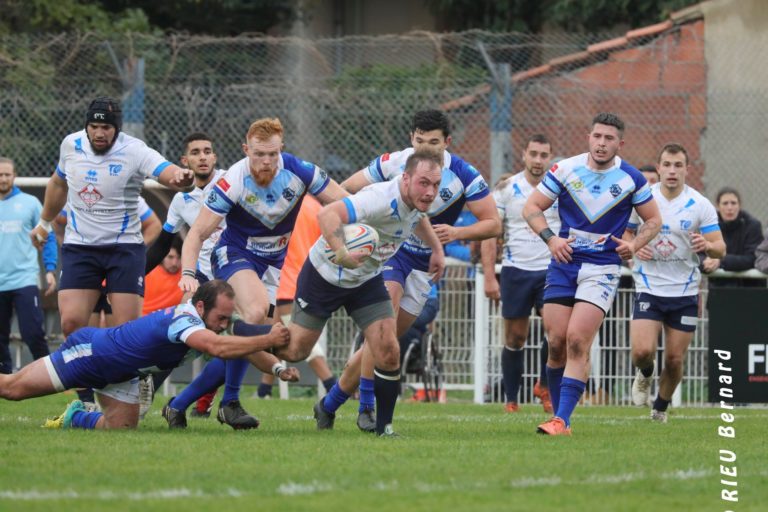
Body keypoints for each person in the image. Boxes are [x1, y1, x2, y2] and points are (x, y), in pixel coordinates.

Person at [163, 118, 348, 429]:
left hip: (273, 266)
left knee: (254, 343)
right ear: (246, 149)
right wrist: (189, 273)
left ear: (281, 150)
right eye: (259, 154)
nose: (266, 161)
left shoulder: (300, 171)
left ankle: (178, 404)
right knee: (255, 312)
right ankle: (230, 403)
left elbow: (345, 201)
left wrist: (369, 228)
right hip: (234, 255)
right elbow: (196, 233)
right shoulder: (232, 181)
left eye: (272, 154)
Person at [322, 109, 499, 432]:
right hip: (392, 252)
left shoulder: (464, 175)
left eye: (434, 143)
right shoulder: (395, 162)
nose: (425, 149)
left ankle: (329, 404)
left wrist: (457, 233)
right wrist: (358, 227)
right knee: (383, 327)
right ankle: (366, 407)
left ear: (447, 142)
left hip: (424, 268)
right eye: (420, 141)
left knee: (383, 342)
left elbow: (493, 223)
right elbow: (344, 188)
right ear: (411, 139)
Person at [29, 96, 195, 407]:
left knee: (125, 331)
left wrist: (181, 178)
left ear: (116, 129)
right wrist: (44, 223)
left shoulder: (134, 150)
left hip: (124, 249)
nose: (99, 133)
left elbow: (165, 171)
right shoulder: (71, 145)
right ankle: (85, 397)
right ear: (86, 126)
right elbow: (58, 184)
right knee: (71, 324)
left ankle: (129, 392)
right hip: (80, 248)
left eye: (106, 127)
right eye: (94, 126)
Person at [275, 151, 446, 436]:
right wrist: (342, 252)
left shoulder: (417, 200)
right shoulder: (379, 199)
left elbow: (418, 217)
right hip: (325, 275)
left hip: (366, 279)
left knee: (388, 349)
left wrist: (436, 248)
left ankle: (384, 429)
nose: (430, 192)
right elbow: (327, 214)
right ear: (405, 178)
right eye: (424, 183)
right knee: (295, 351)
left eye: (436, 185)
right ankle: (253, 336)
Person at [523, 112, 662, 436]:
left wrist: (634, 244)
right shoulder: (564, 169)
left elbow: (654, 220)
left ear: (620, 143)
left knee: (577, 340)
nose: (601, 143)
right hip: (564, 263)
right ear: (588, 137)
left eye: (609, 138)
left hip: (602, 268)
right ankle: (558, 415)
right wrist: (551, 239)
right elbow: (531, 207)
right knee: (556, 342)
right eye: (597, 136)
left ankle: (562, 420)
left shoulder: (631, 178)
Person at [0, 280, 290, 430]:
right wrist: (268, 338)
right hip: (91, 356)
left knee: (120, 429)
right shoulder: (185, 320)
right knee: (11, 389)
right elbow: (218, 348)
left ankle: (75, 417)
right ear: (200, 307)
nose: (224, 324)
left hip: (124, 374)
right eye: (221, 318)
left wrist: (278, 368)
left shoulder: (211, 323)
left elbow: (243, 347)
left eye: (228, 319)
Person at [627, 143, 725, 423]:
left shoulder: (700, 204)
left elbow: (720, 248)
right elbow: (626, 233)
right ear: (658, 168)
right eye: (667, 165)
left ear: (686, 169)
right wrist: (635, 247)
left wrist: (707, 245)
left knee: (674, 359)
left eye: (678, 165)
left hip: (685, 291)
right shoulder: (643, 199)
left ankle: (659, 408)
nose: (672, 171)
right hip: (649, 286)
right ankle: (645, 373)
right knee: (642, 352)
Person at [143, 132, 227, 417]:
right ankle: (145, 392)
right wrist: (137, 276)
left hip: (237, 273)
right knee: (179, 332)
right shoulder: (181, 200)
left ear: (215, 157)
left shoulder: (230, 183)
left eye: (207, 151)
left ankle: (209, 401)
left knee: (239, 342)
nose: (202, 157)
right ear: (184, 161)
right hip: (203, 278)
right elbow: (163, 244)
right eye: (195, 152)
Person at [481, 134, 559, 414]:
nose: (538, 160)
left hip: (551, 270)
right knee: (515, 337)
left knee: (555, 332)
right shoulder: (506, 188)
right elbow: (490, 232)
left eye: (543, 155)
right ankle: (511, 400)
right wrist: (489, 276)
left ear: (550, 158)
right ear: (524, 154)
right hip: (516, 271)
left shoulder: (559, 189)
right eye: (533, 154)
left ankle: (544, 386)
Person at [256, 195, 337, 400]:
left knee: (299, 342)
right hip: (307, 279)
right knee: (272, 335)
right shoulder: (317, 208)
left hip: (285, 282)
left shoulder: (280, 204)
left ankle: (333, 386)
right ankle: (264, 391)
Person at [0, 157, 57, 375]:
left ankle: (49, 377)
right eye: (0, 175)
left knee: (32, 333)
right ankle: (4, 381)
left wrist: (50, 269)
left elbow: (48, 236)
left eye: (7, 174)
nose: (3, 178)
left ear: (14, 176)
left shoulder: (30, 203)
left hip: (24, 279)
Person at [702, 187, 764, 288]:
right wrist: (706, 263)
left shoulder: (753, 225)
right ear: (718, 206)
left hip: (749, 287)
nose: (730, 208)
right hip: (718, 287)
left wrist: (720, 261)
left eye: (733, 203)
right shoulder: (709, 225)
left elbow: (753, 258)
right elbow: (699, 254)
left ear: (739, 205)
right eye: (725, 203)